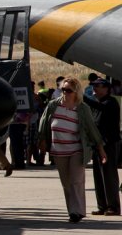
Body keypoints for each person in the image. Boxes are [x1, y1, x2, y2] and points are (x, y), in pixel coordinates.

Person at [38, 76, 106, 223]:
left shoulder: (82, 108)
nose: (65, 93)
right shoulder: (53, 105)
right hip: (58, 150)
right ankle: (72, 211)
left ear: (76, 92)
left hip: (76, 149)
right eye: (63, 89)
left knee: (76, 180)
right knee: (66, 183)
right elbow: (43, 124)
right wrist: (42, 141)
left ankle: (77, 211)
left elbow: (92, 129)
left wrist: (101, 149)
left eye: (68, 90)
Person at [85, 78, 120, 216]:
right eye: (93, 86)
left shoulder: (111, 102)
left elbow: (102, 108)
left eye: (97, 86)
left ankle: (113, 207)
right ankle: (102, 206)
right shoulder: (97, 104)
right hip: (98, 144)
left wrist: (83, 98)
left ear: (106, 88)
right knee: (98, 177)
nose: (94, 88)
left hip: (109, 144)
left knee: (109, 176)